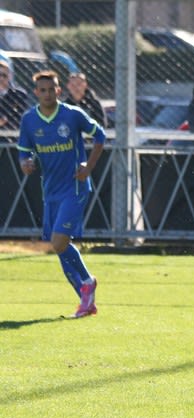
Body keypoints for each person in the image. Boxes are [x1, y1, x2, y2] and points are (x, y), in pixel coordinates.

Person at [17, 70, 106, 318]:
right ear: (36, 93)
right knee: (59, 247)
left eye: (51, 89)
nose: (47, 94)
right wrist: (26, 163)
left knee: (58, 242)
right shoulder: (29, 120)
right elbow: (24, 151)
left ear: (59, 90)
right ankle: (85, 300)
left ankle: (87, 282)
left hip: (75, 188)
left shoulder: (73, 115)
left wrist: (88, 167)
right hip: (51, 190)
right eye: (42, 90)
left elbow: (100, 135)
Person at [0, 60, 29, 133]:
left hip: (12, 137)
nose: (1, 78)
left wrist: (6, 120)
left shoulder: (19, 95)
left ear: (10, 76)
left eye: (4, 75)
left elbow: (23, 117)